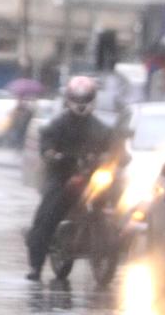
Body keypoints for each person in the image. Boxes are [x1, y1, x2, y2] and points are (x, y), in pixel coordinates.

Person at [25, 76, 112, 281]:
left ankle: (109, 248)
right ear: (69, 98)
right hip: (63, 177)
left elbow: (115, 149)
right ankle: (35, 265)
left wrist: (115, 158)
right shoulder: (57, 125)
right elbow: (46, 147)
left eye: (86, 98)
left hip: (93, 179)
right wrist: (54, 156)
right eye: (77, 98)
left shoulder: (102, 128)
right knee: (46, 216)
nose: (81, 104)